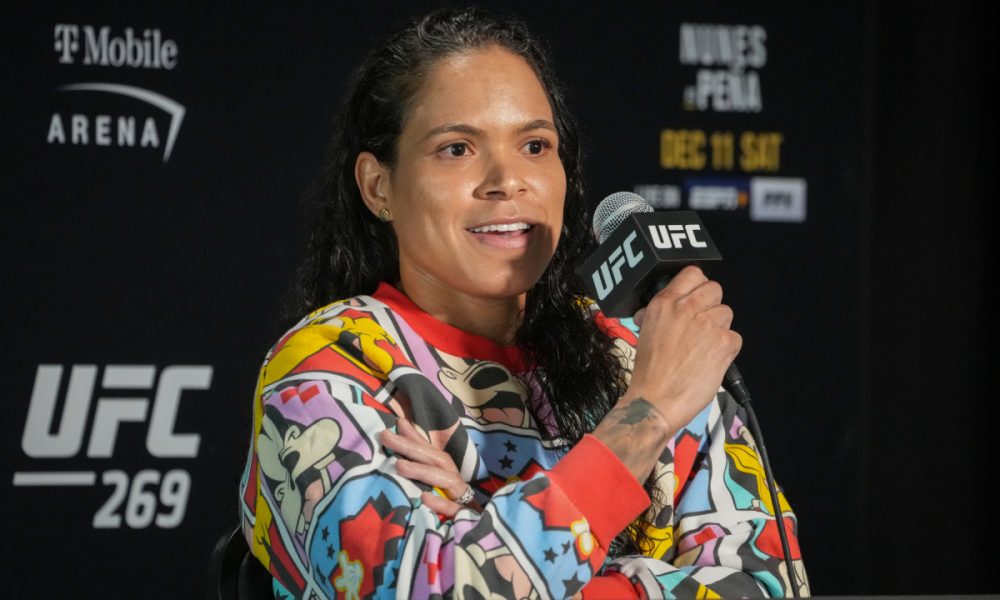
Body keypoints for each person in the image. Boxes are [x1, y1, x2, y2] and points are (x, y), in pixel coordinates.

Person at [238, 7, 809, 599]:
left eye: (535, 145)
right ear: (378, 185)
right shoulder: (327, 371)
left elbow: (771, 584)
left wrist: (483, 530)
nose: (507, 180)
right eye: (457, 149)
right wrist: (647, 415)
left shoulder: (647, 347)